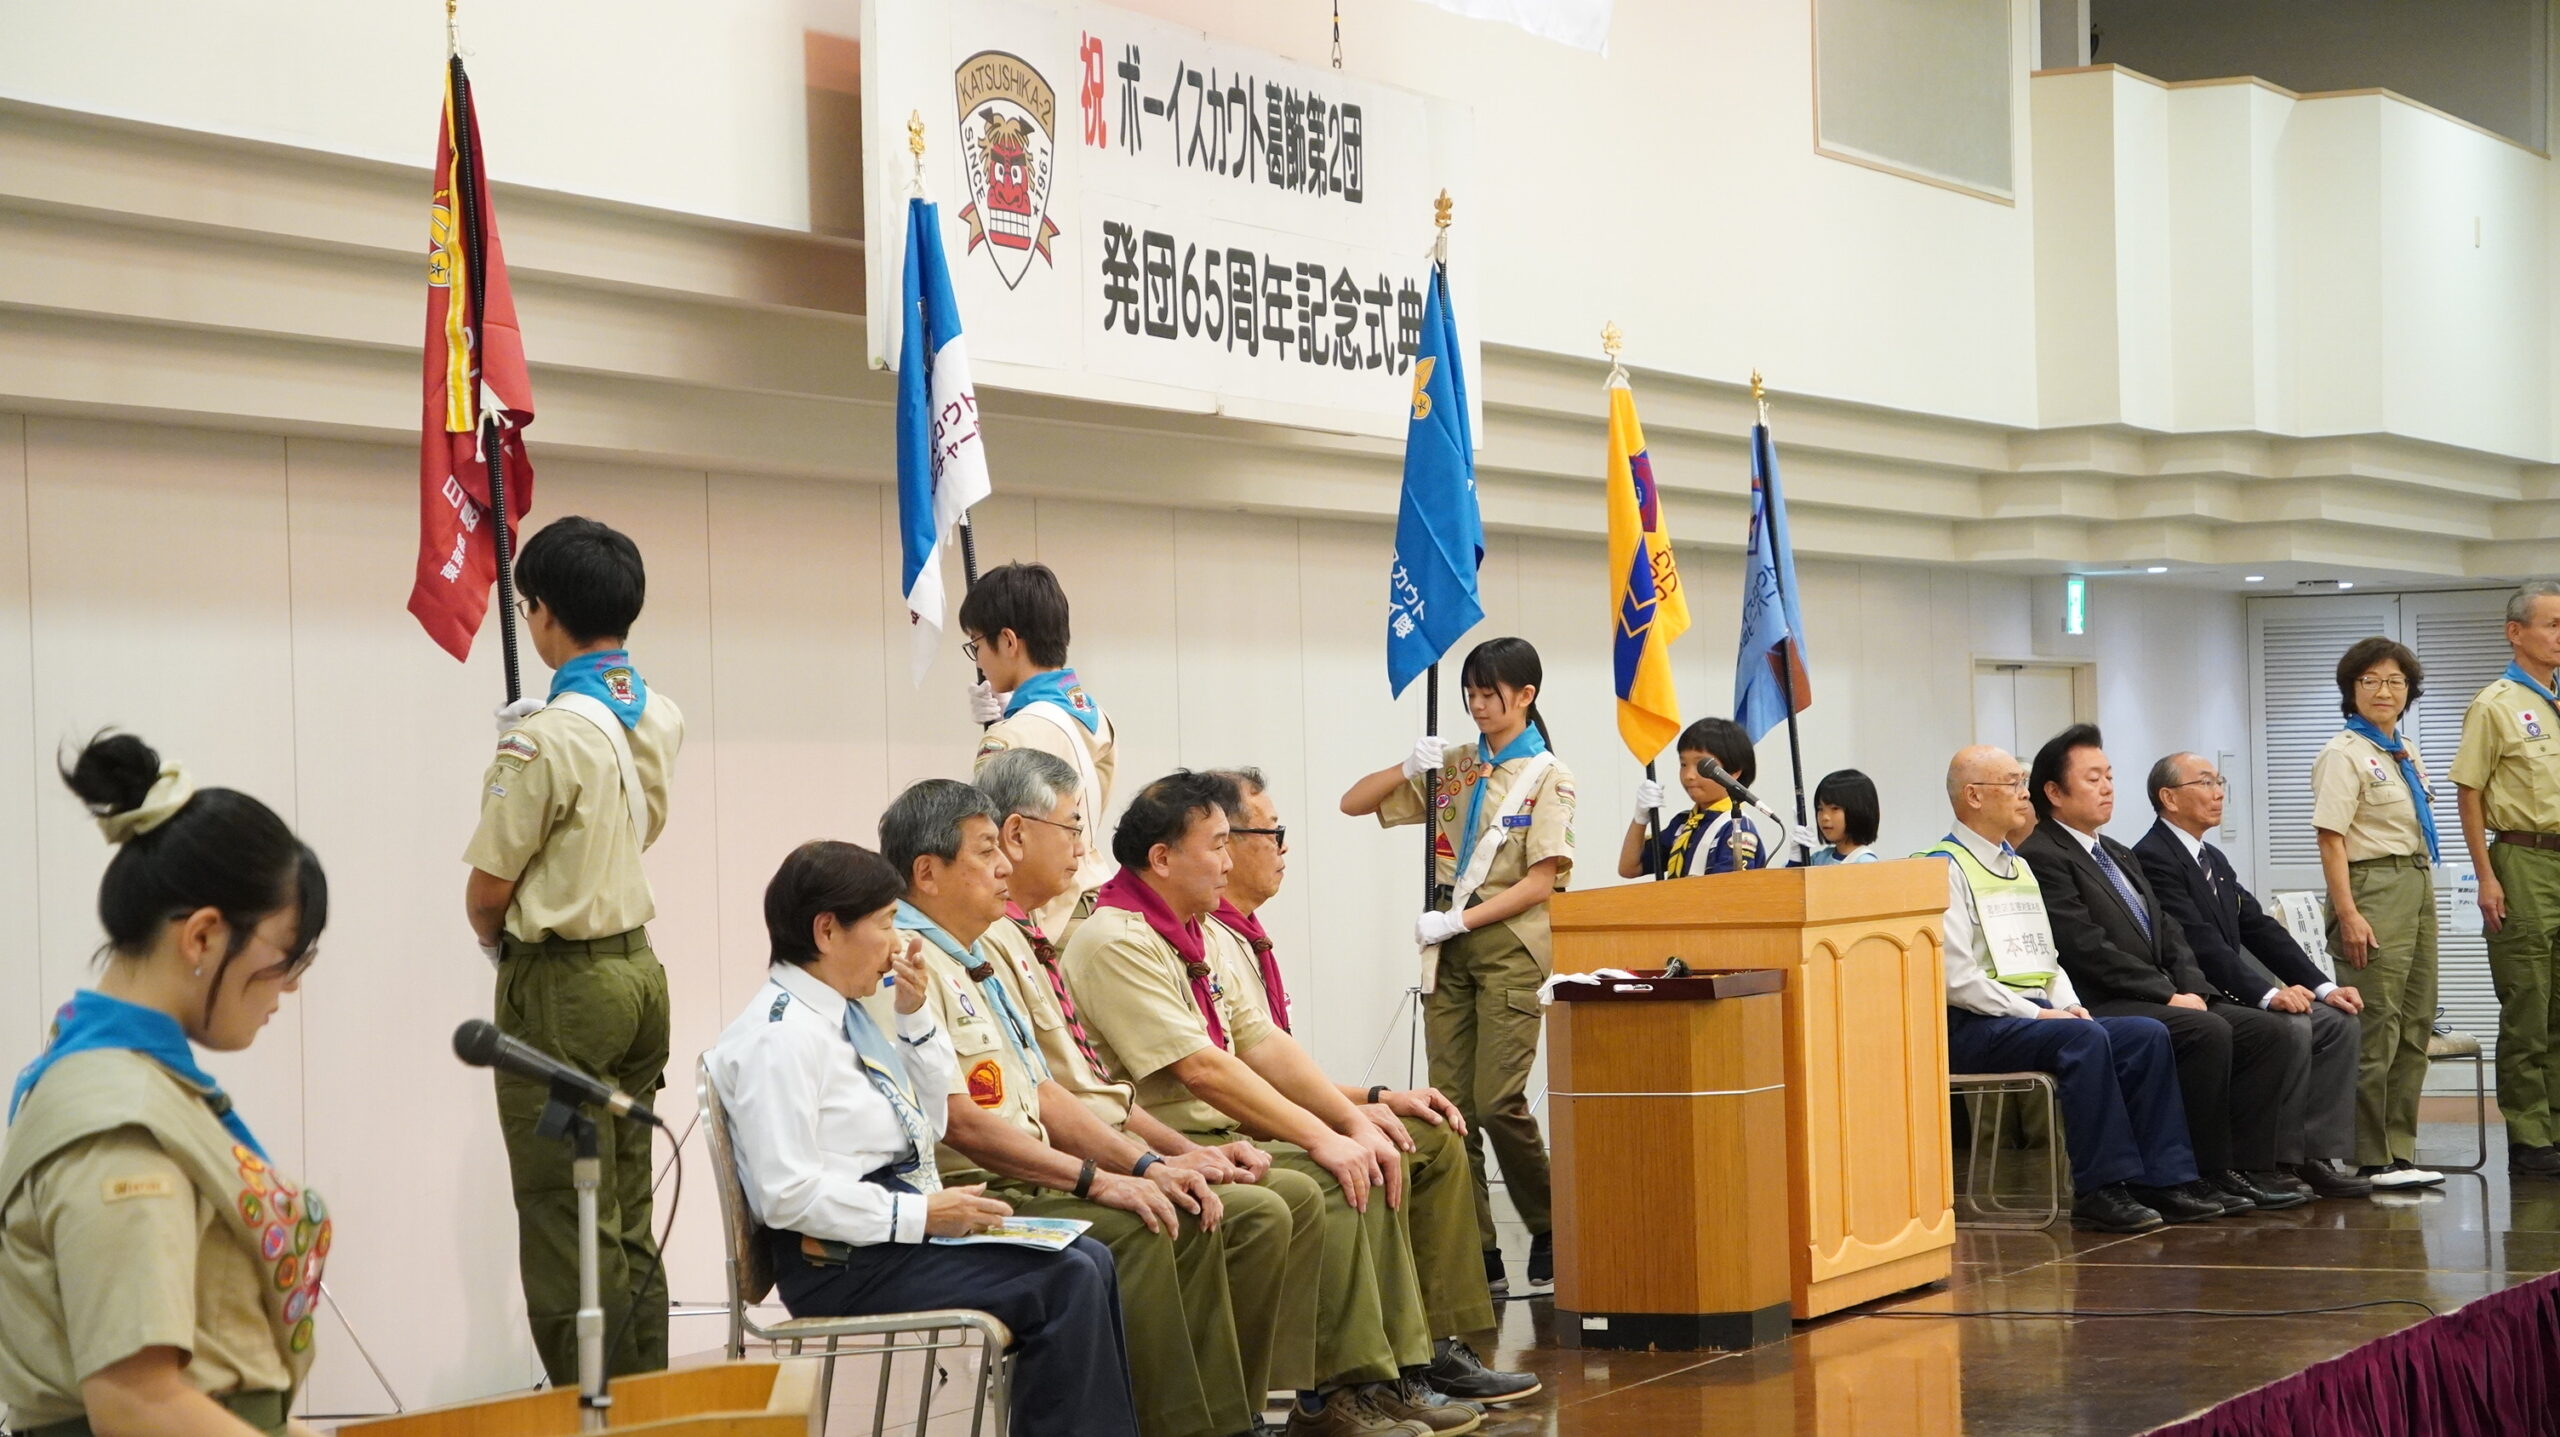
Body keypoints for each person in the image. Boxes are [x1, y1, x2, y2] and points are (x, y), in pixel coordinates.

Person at [1067, 772, 1535, 1437]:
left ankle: (1410, 1359)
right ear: (1162, 857)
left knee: (1390, 1143)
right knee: (1334, 1178)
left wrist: (1350, 1118)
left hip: (1225, 1127)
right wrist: (1324, 1136)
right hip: (1172, 1136)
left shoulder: (1194, 932)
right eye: (1217, 845)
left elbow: (1261, 1043)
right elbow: (1202, 1070)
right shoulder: (1117, 937)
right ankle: (1337, 1394)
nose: (1227, 861)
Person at [880, 778, 1281, 1437]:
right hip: (973, 1192)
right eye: (986, 850)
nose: (1004, 865)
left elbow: (1047, 1093)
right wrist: (1102, 1180)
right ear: (927, 872)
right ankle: (1183, 1427)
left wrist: (1147, 1165)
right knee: (1148, 1226)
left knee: (1183, 1204)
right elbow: (963, 1124)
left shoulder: (972, 955)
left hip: (1031, 1172)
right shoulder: (905, 966)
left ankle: (1219, 1421)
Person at [705, 840, 1138, 1437]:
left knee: (1091, 1259)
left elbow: (930, 1120)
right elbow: (788, 1196)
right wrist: (924, 1214)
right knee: (1066, 1280)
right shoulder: (778, 1040)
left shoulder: (843, 1015)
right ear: (827, 931)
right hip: (838, 1258)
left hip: (882, 1232)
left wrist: (914, 1017)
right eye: (885, 924)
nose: (897, 944)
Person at [975, 750, 1320, 1437]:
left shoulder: (1025, 938)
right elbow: (1037, 1105)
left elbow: (1086, 1092)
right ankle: (1198, 1422)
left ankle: (1246, 1410)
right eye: (1071, 827)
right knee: (1185, 1214)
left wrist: (1167, 1156)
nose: (1083, 849)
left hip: (1101, 1144)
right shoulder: (1056, 941)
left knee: (1273, 1196)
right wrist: (1142, 1166)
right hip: (1025, 1173)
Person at [2, 733, 331, 1437]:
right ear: (203, 936)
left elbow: (213, 1375)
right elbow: (136, 1403)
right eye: (285, 958)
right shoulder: (117, 1122)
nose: (289, 989)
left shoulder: (132, 1086)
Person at [461, 515, 684, 1381]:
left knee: (567, 1215)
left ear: (543, 612)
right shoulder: (656, 714)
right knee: (627, 1212)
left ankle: (592, 1410)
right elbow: (636, 827)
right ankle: (654, 1407)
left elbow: (488, 891)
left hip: (563, 985)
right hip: (638, 974)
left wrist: (499, 950)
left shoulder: (544, 736)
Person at [1204, 768, 1502, 1343]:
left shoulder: (1242, 935)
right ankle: (1379, 1360)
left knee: (1429, 1128)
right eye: (1272, 832)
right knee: (1375, 1152)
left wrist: (1377, 1097)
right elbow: (1228, 1079)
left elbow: (1274, 1065)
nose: (1284, 847)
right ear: (1226, 844)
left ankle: (1439, 1342)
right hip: (1230, 1127)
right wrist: (1341, 1122)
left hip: (1265, 1110)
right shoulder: (1207, 940)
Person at [1341, 637, 1573, 1289]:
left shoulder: (1549, 775)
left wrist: (1459, 919)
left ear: (1525, 695)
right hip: (1447, 953)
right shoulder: (1458, 765)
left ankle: (1551, 1222)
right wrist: (1406, 765)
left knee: (1498, 1102)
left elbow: (1541, 882)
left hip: (1509, 948)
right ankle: (1479, 1251)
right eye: (1470, 693)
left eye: (1489, 693)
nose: (1477, 704)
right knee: (1450, 1107)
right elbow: (1353, 802)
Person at [2019, 725, 2313, 1212]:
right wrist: (2166, 994)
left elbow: (2168, 931)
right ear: (2053, 791)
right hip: (2101, 998)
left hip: (2160, 993)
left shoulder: (2115, 851)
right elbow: (2085, 947)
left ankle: (2246, 1167)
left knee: (2265, 1031)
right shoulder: (2043, 854)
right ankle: (2192, 1172)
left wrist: (2193, 987)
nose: (2107, 787)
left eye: (2109, 776)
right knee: (2205, 1030)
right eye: (2093, 779)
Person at [1927, 745, 2217, 1232]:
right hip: (1976, 1024)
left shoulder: (2017, 866)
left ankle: (2163, 1179)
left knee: (2144, 1034)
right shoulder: (1943, 868)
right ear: (1974, 796)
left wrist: (2070, 1005)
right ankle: (2099, 1189)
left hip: (2033, 1017)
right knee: (2083, 1039)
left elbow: (2048, 958)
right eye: (2012, 784)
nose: (2025, 794)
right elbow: (1957, 980)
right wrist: (2041, 1014)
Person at [2136, 753, 2374, 1199]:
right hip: (2197, 993)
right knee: (2291, 1026)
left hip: (2233, 990)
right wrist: (2267, 994)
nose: (2218, 793)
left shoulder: (2213, 857)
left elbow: (2260, 929)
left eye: (2219, 782)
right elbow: (2199, 942)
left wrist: (2324, 987)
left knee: (2337, 1021)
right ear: (2168, 797)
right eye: (2205, 783)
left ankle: (2315, 1154)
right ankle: (2270, 1160)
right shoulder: (2152, 858)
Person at [2308, 637, 2456, 1188]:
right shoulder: (2343, 753)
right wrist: (2348, 913)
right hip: (2371, 886)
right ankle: (2370, 1155)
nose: (2383, 691)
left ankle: (2400, 1149)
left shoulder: (2403, 750)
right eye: (2369, 680)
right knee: (2376, 1024)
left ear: (2409, 692)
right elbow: (2330, 839)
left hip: (2415, 881)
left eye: (2395, 681)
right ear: (2351, 689)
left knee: (2415, 1021)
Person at [2453, 580, 2560, 1178]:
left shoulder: (2556, 699)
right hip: (2522, 858)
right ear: (2515, 633)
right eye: (2552, 624)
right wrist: (2486, 876)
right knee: (2528, 1002)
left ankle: (2557, 1125)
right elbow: (2469, 793)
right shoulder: (2495, 704)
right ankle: (2530, 1134)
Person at [965, 562, 1118, 937]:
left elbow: (989, 839)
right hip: (1096, 903)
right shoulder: (1095, 717)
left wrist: (1006, 727)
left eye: (977, 645)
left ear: (1008, 641)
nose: (979, 661)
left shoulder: (1012, 735)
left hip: (1046, 917)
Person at [1618, 717, 1770, 879]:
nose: (1688, 776)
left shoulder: (1736, 827)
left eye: (1702, 766)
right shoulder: (1683, 824)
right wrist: (1640, 819)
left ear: (1734, 772)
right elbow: (1630, 868)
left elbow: (1729, 888)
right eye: (1683, 764)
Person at [1809, 769, 1880, 866]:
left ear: (1857, 811)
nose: (1824, 817)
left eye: (1834, 808)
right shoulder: (1819, 859)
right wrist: (1795, 859)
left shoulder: (1866, 864)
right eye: (1820, 809)